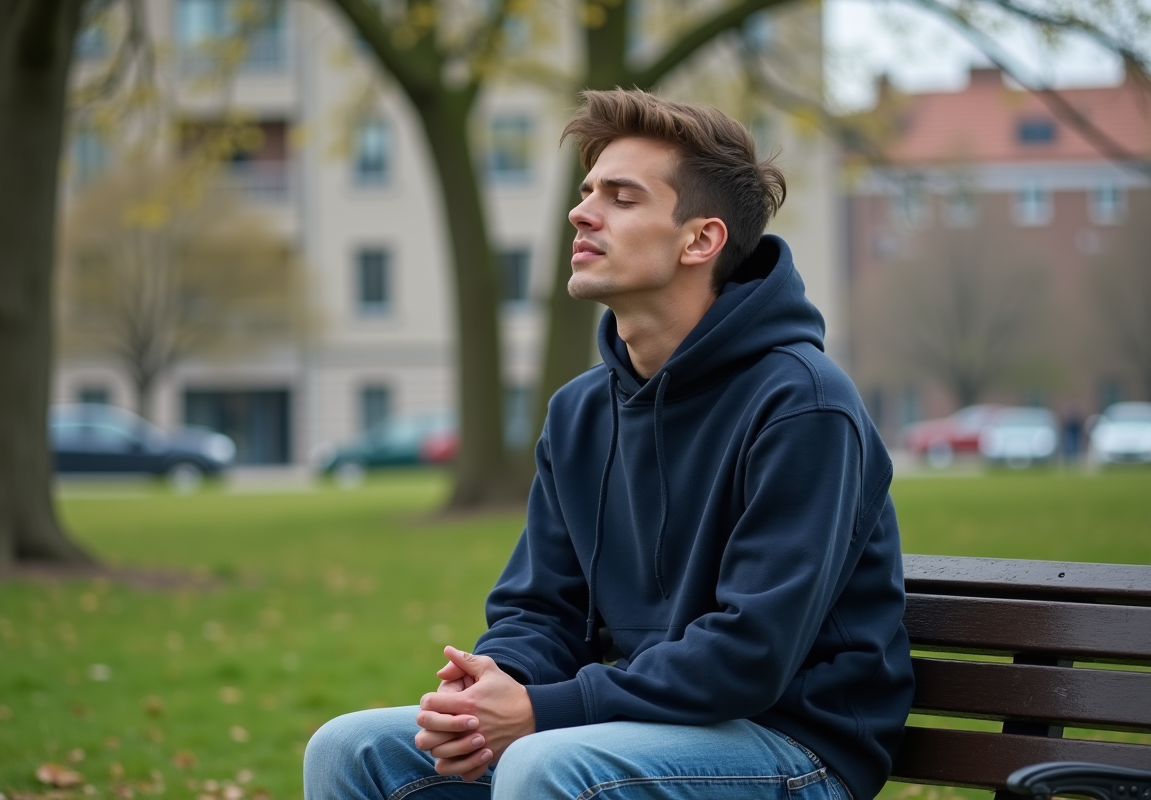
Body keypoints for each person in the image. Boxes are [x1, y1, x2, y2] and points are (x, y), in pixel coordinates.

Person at [304, 89, 914, 800]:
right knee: (349, 749)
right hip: (637, 726)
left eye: (622, 198)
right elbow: (539, 609)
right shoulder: (580, 412)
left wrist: (547, 713)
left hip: (793, 744)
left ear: (700, 240)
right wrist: (492, 687)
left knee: (546, 766)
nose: (581, 211)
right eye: (588, 191)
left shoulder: (803, 405)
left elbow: (753, 653)